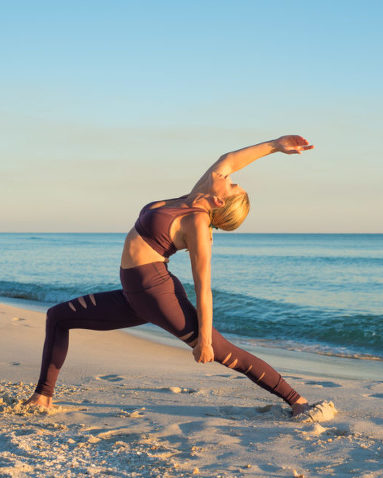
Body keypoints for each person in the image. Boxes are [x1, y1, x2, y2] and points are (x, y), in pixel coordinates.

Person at [24, 135, 315, 416]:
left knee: (225, 351)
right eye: (231, 179)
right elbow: (229, 160)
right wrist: (276, 145)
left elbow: (204, 289)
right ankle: (42, 397)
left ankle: (297, 401)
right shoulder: (194, 195)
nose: (229, 177)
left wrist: (205, 341)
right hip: (134, 295)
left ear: (219, 203)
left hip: (157, 294)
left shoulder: (198, 225)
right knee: (58, 317)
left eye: (233, 184)